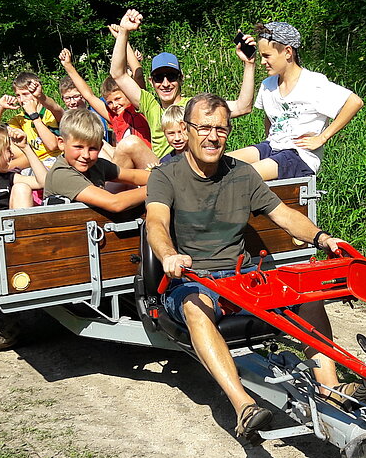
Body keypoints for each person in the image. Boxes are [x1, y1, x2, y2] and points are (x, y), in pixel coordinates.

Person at [145, 94, 348, 440]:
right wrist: (168, 255)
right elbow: (156, 223)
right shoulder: (166, 175)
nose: (213, 137)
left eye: (221, 129)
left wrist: (323, 239)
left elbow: (283, 215)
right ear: (187, 130)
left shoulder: (243, 174)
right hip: (194, 279)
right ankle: (244, 406)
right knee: (196, 308)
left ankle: (330, 388)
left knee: (308, 293)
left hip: (242, 277)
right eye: (204, 128)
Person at [107, 10, 257, 171]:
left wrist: (249, 65)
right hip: (160, 168)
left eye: (171, 76)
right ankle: (109, 194)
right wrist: (123, 32)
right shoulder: (149, 104)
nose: (165, 83)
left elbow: (243, 107)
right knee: (123, 146)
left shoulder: (194, 106)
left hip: (188, 167)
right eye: (158, 78)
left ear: (180, 79)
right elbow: (118, 74)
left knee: (130, 144)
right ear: (151, 82)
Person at [227, 21, 364, 181]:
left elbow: (355, 102)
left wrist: (322, 138)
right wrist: (248, 62)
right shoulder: (268, 85)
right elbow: (270, 119)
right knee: (218, 165)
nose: (263, 62)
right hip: (272, 146)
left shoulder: (313, 83)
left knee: (240, 177)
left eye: (267, 56)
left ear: (287, 52)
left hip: (299, 156)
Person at [42, 109, 149, 213]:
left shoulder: (97, 165)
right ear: (61, 143)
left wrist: (161, 176)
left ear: (100, 146)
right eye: (78, 147)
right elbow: (115, 203)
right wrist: (158, 187)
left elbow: (134, 177)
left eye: (93, 148)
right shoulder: (62, 174)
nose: (86, 155)